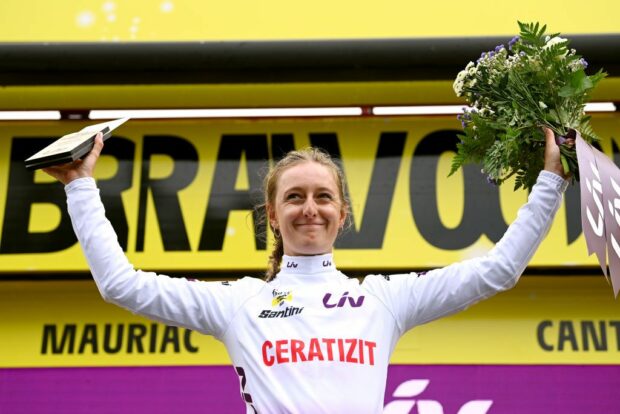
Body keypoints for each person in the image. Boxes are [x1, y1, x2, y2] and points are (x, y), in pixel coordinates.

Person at [44, 127, 569, 414]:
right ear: (272, 216)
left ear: (344, 215)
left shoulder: (383, 300)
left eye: (323, 197)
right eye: (294, 197)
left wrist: (551, 181)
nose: (309, 208)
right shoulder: (239, 304)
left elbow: (498, 271)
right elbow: (120, 284)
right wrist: (79, 186)